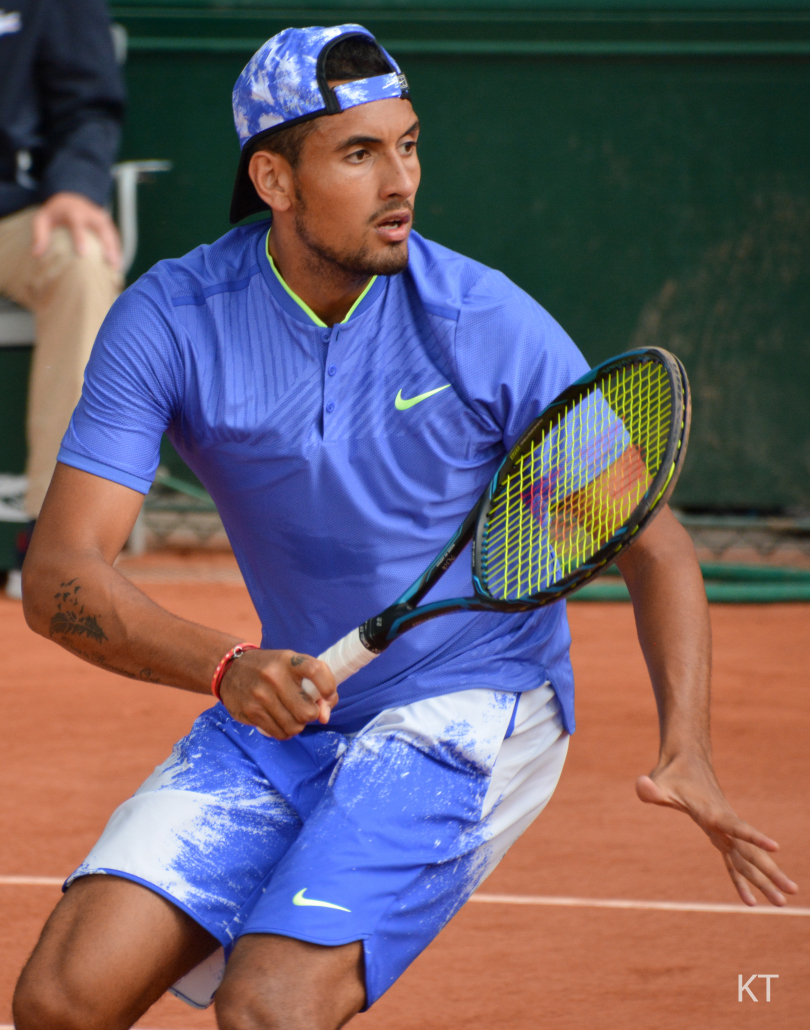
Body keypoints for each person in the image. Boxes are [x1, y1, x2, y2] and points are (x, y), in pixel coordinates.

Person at [13, 25, 796, 1030]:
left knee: (269, 1005)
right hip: (297, 700)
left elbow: (654, 540)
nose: (402, 180)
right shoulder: (171, 320)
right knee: (58, 1000)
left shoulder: (481, 321)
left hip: (473, 701)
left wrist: (685, 741)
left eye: (410, 144)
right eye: (360, 152)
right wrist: (227, 667)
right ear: (274, 179)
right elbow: (62, 573)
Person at [0, 0, 125, 599]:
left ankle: (55, 539)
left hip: (19, 216)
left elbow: (89, 105)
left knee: (83, 265)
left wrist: (76, 186)